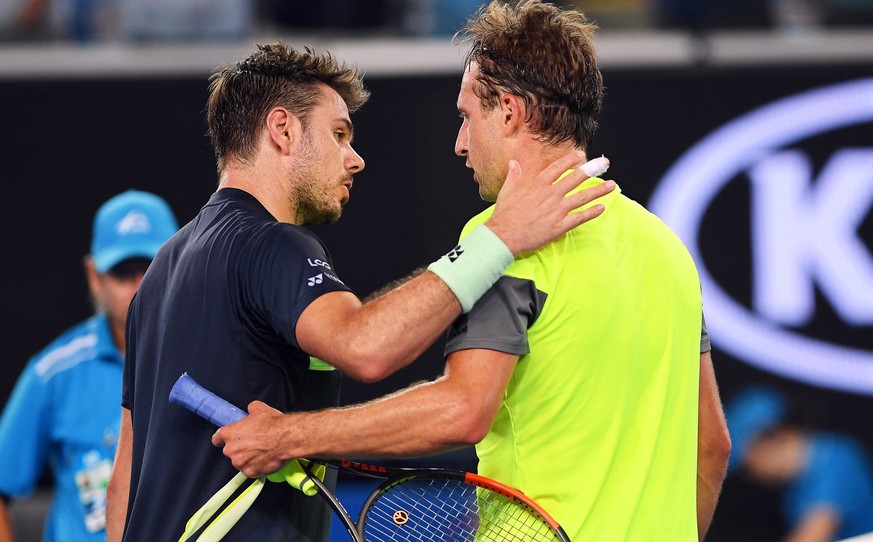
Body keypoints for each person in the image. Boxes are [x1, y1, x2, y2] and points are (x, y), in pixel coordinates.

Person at [212, 2, 732, 540]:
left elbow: (462, 410)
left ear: (509, 111)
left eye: (467, 116)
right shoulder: (667, 249)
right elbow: (712, 445)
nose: (460, 143)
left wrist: (290, 436)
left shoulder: (506, 242)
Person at [105, 41, 616, 541]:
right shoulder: (273, 245)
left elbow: (127, 475)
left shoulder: (158, 276)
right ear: (282, 129)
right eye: (339, 134)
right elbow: (366, 347)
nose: (355, 160)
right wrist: (500, 236)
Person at [0, 190, 177, 542]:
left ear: (182, 264)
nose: (140, 287)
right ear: (94, 276)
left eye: (152, 267)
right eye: (123, 273)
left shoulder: (215, 359)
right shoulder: (53, 372)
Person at [725, 385, 873, 542]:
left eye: (747, 468)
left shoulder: (836, 459)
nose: (753, 477)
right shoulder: (795, 486)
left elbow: (814, 533)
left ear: (768, 440)